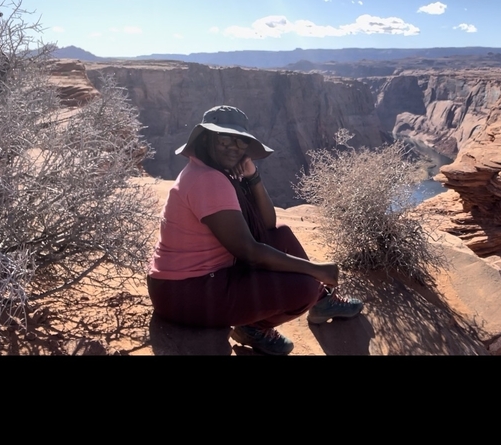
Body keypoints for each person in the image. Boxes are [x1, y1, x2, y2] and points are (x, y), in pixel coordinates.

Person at [146, 104, 363, 355]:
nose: (233, 146)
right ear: (206, 138)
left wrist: (253, 176)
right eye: (224, 137)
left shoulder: (213, 172)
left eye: (241, 141)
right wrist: (315, 270)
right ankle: (254, 328)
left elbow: (268, 224)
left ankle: (322, 301)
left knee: (280, 233)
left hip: (192, 283)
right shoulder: (208, 180)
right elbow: (248, 251)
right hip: (185, 294)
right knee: (303, 289)